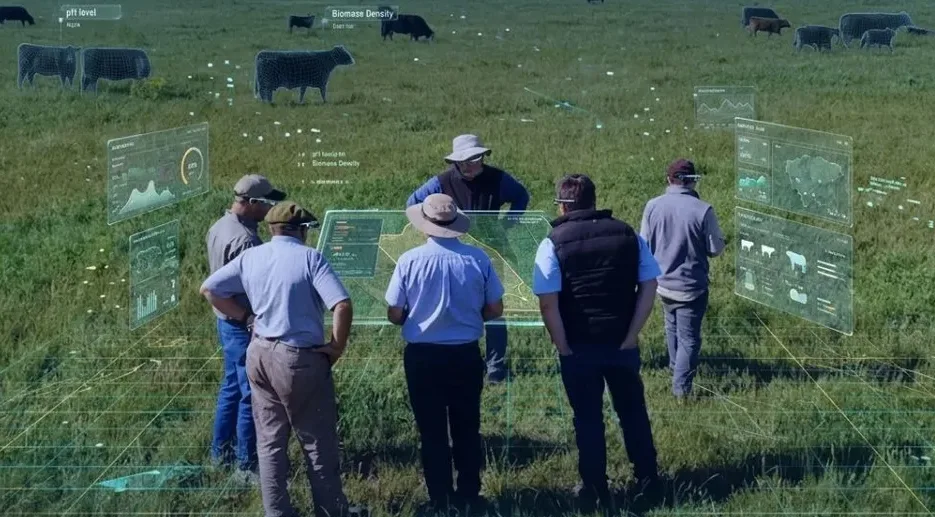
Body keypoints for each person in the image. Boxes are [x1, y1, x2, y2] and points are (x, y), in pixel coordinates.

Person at [200, 201, 361, 517]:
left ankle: (276, 511)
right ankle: (330, 509)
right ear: (301, 230)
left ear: (272, 228)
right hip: (298, 357)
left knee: (270, 441)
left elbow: (209, 289)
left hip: (259, 353)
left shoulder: (252, 256)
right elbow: (341, 305)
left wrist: (246, 317)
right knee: (316, 440)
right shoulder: (310, 258)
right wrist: (336, 346)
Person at [532, 174, 661, 510]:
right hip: (621, 342)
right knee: (633, 413)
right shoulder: (627, 234)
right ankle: (649, 481)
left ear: (562, 205)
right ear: (593, 200)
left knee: (588, 419)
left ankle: (594, 488)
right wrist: (632, 335)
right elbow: (650, 285)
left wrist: (562, 346)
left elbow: (548, 303)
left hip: (579, 345)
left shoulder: (552, 242)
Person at [385, 193, 505, 511]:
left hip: (423, 356)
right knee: (467, 427)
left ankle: (439, 497)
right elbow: (495, 308)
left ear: (424, 224)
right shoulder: (477, 259)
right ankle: (469, 493)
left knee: (431, 430)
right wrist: (471, 318)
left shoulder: (409, 260)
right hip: (465, 353)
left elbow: (394, 312)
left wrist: (413, 318)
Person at [406, 134, 529, 383]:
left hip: (492, 250)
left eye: (473, 159)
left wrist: (507, 224)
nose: (467, 165)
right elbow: (413, 202)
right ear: (454, 162)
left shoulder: (498, 178)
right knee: (456, 304)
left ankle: (495, 366)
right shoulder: (442, 181)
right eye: (462, 161)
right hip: (454, 251)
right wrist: (430, 228)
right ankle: (460, 358)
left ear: (482, 157)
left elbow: (521, 196)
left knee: (494, 309)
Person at [205, 174, 286, 479]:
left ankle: (220, 453)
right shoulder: (246, 240)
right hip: (242, 321)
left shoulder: (219, 226)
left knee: (230, 388)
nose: (270, 209)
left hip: (225, 319)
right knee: (251, 393)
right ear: (251, 203)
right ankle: (246, 463)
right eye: (267, 203)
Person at [640, 159, 725, 400]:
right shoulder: (703, 210)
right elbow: (715, 249)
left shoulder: (652, 206)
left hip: (662, 284)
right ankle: (681, 391)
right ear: (693, 181)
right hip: (691, 287)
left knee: (671, 326)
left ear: (669, 179)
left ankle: (674, 367)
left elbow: (644, 243)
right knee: (689, 339)